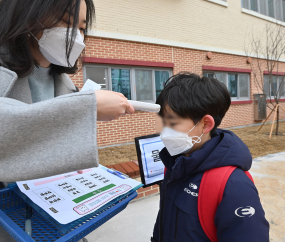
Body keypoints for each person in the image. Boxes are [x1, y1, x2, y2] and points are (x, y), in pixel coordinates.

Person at [0, 0, 134, 241]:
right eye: (66, 21)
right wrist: (86, 107)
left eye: (81, 27)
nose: (76, 36)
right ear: (26, 15)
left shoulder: (65, 82)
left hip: (59, 222)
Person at [151, 72, 269, 242]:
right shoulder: (175, 163)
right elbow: (164, 220)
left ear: (206, 124)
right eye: (161, 120)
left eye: (172, 122)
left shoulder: (233, 185)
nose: (163, 129)